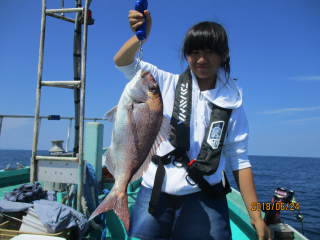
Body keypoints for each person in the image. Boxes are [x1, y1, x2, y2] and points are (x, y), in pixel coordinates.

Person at [113, 9, 271, 240]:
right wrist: (140, 37)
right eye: (194, 52)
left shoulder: (232, 104)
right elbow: (123, 62)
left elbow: (239, 159)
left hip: (203, 193)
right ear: (186, 54)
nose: (202, 59)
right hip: (154, 189)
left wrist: (256, 216)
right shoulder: (161, 83)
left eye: (210, 52)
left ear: (225, 54)